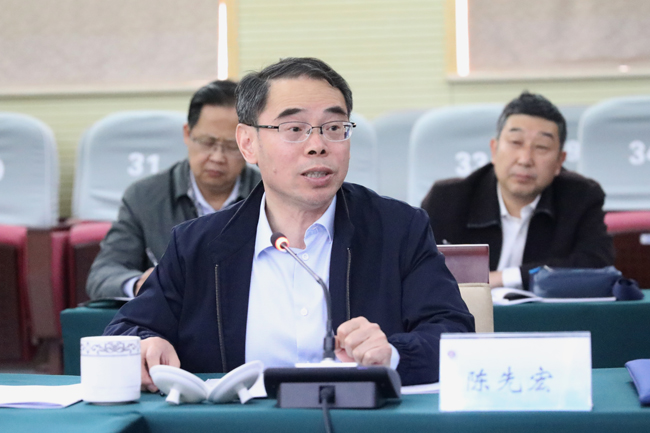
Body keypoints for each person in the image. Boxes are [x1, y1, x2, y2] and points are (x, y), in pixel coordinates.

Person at [104, 57, 474, 388]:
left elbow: (453, 334)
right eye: (294, 129)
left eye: (334, 127)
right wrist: (145, 344)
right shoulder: (197, 245)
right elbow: (125, 330)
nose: (318, 145)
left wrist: (391, 354)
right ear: (248, 143)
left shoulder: (399, 229)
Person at [421, 91, 614, 290]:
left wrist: (505, 278)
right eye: (515, 142)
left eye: (541, 147)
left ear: (560, 161)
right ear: (494, 149)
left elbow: (597, 266)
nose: (525, 159)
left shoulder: (581, 198)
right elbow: (418, 271)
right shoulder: (447, 200)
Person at [86, 80, 261, 300]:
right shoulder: (144, 197)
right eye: (207, 142)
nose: (217, 157)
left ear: (248, 144)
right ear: (187, 134)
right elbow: (103, 274)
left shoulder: (270, 194)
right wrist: (141, 284)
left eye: (231, 146)